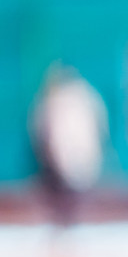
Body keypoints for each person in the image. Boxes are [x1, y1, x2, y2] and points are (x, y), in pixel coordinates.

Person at [29, 64, 109, 226]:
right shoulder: (67, 100)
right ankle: (67, 220)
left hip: (72, 153)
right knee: (67, 189)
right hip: (66, 155)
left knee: (73, 188)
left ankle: (71, 221)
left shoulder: (73, 100)